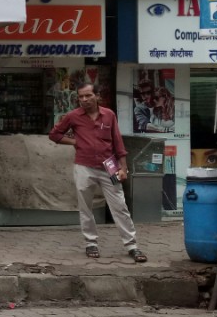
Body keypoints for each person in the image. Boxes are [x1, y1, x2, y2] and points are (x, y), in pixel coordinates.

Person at [48, 82, 147, 263]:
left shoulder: (109, 115)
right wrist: (74, 142)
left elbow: (117, 142)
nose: (84, 99)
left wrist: (123, 167)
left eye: (88, 95)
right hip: (83, 167)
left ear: (97, 96)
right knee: (85, 207)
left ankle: (132, 245)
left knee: (120, 206)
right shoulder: (73, 116)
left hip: (110, 166)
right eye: (81, 97)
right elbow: (54, 134)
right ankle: (91, 243)